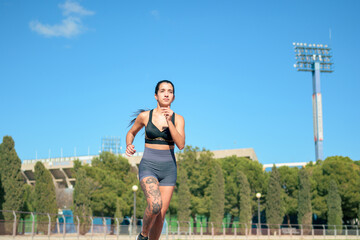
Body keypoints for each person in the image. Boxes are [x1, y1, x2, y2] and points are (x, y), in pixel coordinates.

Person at [126, 80, 185, 240]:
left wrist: (169, 122)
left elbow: (180, 144)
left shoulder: (178, 119)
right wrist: (129, 144)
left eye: (170, 91)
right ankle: (143, 235)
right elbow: (131, 132)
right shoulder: (145, 116)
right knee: (155, 205)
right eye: (163, 91)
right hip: (149, 166)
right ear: (156, 95)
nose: (166, 94)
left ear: (173, 97)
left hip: (169, 171)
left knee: (161, 214)